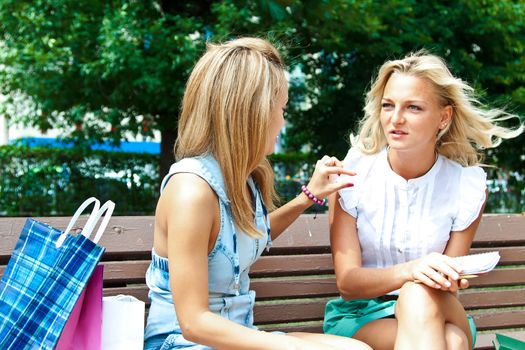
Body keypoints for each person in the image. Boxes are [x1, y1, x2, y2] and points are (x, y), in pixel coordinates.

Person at [143, 37, 371, 350]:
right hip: (181, 342)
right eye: (282, 108)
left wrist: (308, 197)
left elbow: (248, 236)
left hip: (238, 335)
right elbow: (194, 322)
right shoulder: (191, 191)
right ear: (253, 112)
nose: (283, 120)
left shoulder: (245, 179)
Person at [323, 51, 523, 350]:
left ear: (444, 117)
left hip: (440, 305)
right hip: (363, 314)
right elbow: (348, 284)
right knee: (451, 343)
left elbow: (450, 285)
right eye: (388, 105)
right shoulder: (352, 175)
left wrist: (443, 278)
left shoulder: (465, 186)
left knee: (419, 297)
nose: (396, 119)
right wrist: (411, 270)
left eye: (413, 107)